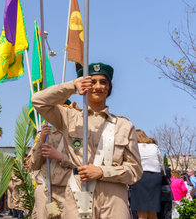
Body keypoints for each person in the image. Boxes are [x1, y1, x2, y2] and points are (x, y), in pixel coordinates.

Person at [31, 62, 143, 218]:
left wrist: (102, 171)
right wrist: (71, 85)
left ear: (109, 87)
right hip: (78, 192)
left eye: (103, 82)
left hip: (114, 196)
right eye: (92, 82)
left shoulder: (124, 126)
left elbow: (135, 170)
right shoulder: (69, 118)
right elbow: (38, 101)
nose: (98, 86)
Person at [30, 125, 72, 218]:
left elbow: (83, 162)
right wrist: (41, 140)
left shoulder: (76, 134)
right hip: (46, 189)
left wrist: (61, 157)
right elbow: (33, 165)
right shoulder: (45, 134)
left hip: (67, 191)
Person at [129, 130, 162, 219]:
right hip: (155, 178)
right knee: (153, 211)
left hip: (141, 178)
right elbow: (160, 162)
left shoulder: (134, 147)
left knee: (141, 212)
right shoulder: (154, 146)